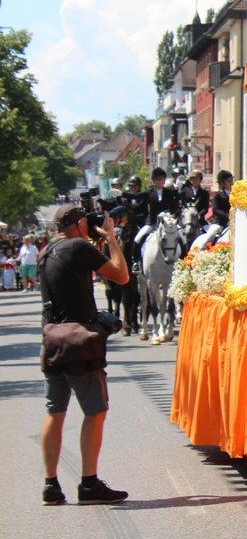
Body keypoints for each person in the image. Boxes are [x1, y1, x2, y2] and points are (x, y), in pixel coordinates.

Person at [39, 204, 130, 505]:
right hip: (80, 344)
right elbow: (121, 276)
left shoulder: (45, 253)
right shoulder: (79, 247)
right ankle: (89, 484)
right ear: (79, 224)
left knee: (55, 412)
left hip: (53, 341)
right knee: (95, 412)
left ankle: (51, 485)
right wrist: (113, 239)